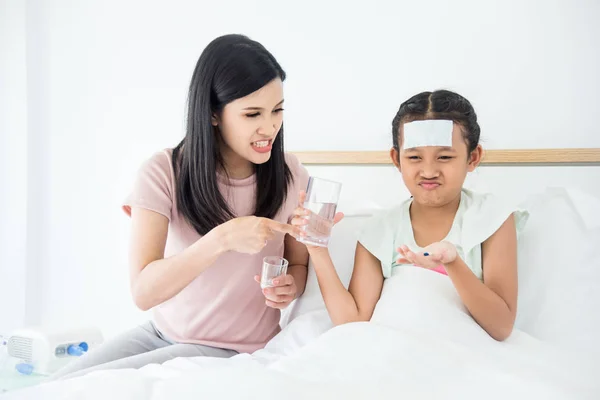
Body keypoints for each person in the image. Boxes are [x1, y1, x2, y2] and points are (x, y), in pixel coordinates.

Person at [52, 34, 309, 380]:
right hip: (160, 333)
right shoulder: (163, 172)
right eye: (253, 114)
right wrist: (222, 239)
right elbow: (144, 292)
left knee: (81, 388)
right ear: (213, 114)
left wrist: (290, 284)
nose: (270, 127)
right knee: (56, 384)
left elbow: (298, 263)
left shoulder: (291, 175)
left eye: (277, 110)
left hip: (233, 350)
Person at [291, 90, 528, 341]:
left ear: (473, 157)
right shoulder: (380, 230)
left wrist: (452, 263)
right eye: (414, 157)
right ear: (396, 159)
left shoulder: (491, 219)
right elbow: (353, 321)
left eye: (445, 157)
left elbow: (501, 327)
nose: (428, 171)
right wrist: (317, 249)